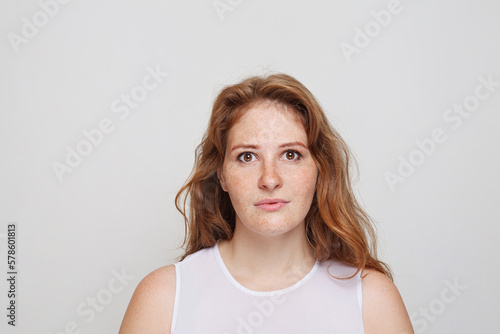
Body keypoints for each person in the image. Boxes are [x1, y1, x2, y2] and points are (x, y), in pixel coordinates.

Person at [119, 73, 414, 333]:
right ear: (221, 174)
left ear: (319, 169)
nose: (270, 179)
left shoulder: (372, 299)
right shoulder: (163, 298)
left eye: (290, 155)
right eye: (247, 156)